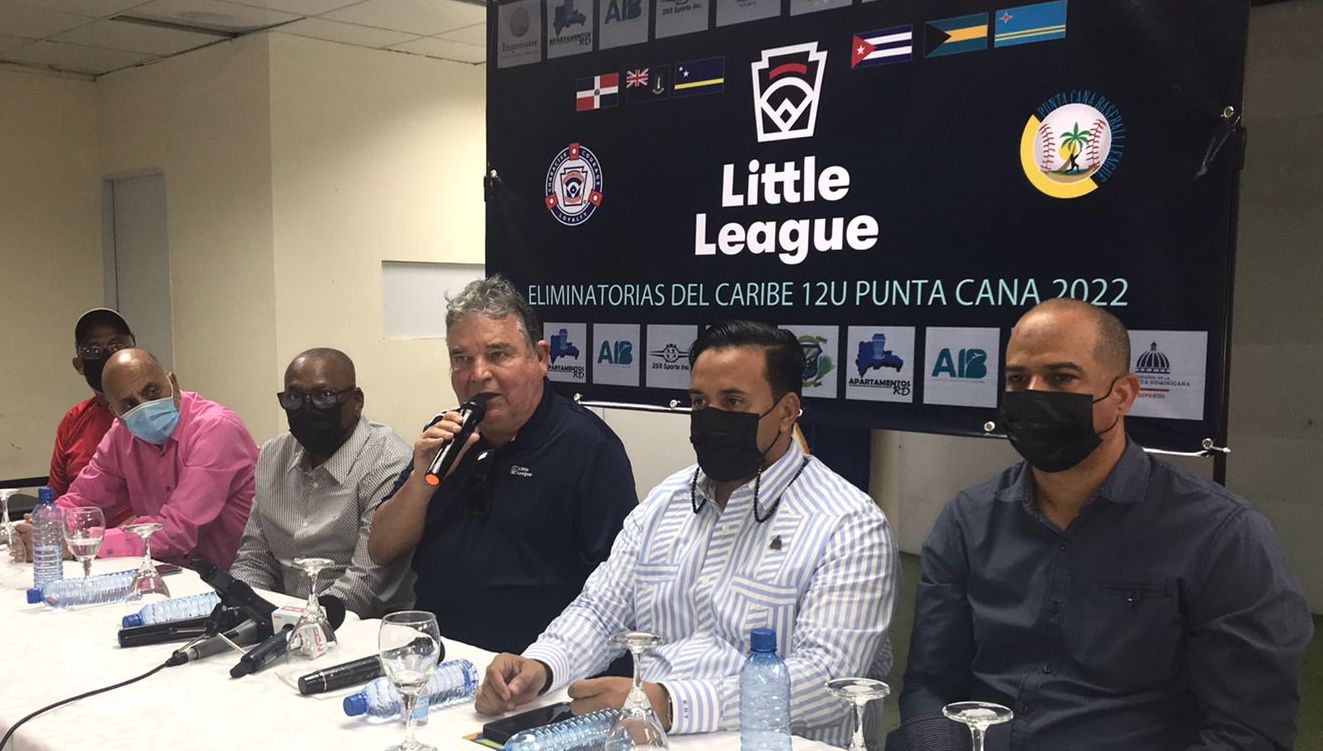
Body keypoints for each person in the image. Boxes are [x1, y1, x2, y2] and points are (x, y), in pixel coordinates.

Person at [898, 298, 1313, 750]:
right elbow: (929, 686)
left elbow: (1250, 731)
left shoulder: (1221, 535)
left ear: (1123, 395)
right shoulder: (968, 520)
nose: (1033, 394)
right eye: (1017, 379)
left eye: (1061, 377)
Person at [473, 320, 899, 747]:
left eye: (733, 402)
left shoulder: (848, 525)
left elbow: (827, 680)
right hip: (646, 736)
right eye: (699, 402)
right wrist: (542, 665)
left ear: (786, 412)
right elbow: (601, 610)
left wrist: (671, 703)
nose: (711, 418)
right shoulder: (667, 501)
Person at [368, 276, 638, 654]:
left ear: (541, 358)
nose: (478, 374)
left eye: (498, 354)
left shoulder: (589, 448)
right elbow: (381, 549)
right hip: (438, 653)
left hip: (532, 666)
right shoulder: (445, 436)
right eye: (461, 359)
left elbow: (621, 594)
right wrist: (422, 481)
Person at [19, 349, 259, 568]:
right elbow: (84, 498)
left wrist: (79, 543)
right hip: (167, 573)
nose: (145, 407)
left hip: (237, 579)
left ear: (173, 383)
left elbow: (177, 530)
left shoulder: (215, 429)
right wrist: (44, 526)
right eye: (129, 404)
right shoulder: (121, 435)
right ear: (116, 413)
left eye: (152, 392)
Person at [230, 349, 413, 618]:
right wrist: (244, 608)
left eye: (324, 396)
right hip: (280, 618)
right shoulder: (272, 455)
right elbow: (254, 558)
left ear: (356, 400)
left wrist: (302, 625)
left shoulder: (388, 460)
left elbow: (366, 583)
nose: (308, 409)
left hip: (357, 625)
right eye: (294, 397)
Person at [48, 308, 135, 497]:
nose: (107, 355)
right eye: (93, 349)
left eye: (117, 345)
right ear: (79, 365)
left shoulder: (154, 415)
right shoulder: (73, 421)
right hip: (81, 514)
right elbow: (55, 497)